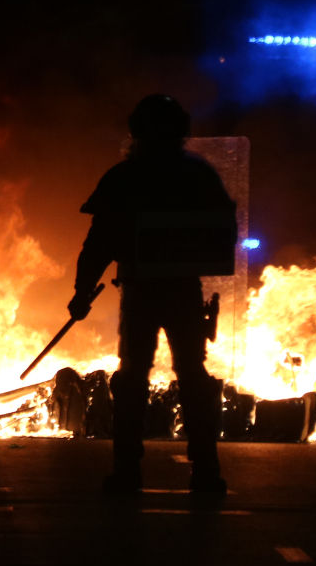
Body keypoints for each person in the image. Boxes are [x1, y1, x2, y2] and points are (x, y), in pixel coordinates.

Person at [69, 94, 237, 496]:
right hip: (182, 290)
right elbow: (223, 230)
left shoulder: (125, 177)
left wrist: (82, 292)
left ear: (136, 131)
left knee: (132, 381)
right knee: (193, 378)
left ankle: (128, 473)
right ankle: (206, 472)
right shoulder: (198, 175)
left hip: (142, 292)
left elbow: (99, 243)